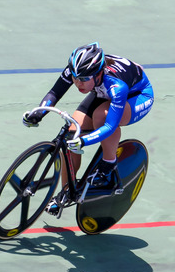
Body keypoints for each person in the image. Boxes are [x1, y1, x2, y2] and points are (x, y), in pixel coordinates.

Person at [22, 42, 154, 216]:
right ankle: (67, 192)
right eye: (75, 78)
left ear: (98, 74)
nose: (77, 83)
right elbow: (54, 93)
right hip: (102, 91)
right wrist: (38, 113)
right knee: (70, 134)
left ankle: (108, 164)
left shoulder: (116, 85)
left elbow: (110, 126)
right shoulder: (79, 70)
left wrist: (84, 140)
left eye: (83, 79)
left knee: (102, 115)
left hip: (136, 96)